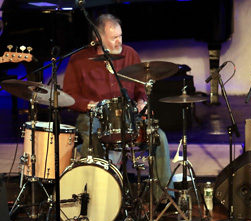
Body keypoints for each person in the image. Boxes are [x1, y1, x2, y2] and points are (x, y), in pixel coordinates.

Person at [62, 13, 171, 201]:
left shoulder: (129, 54)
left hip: (126, 116)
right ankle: (100, 197)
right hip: (93, 116)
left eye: (120, 36)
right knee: (92, 136)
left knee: (158, 137)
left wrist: (141, 101)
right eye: (114, 38)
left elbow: (140, 87)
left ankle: (163, 199)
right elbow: (69, 95)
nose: (119, 41)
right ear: (97, 38)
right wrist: (88, 105)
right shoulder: (79, 60)